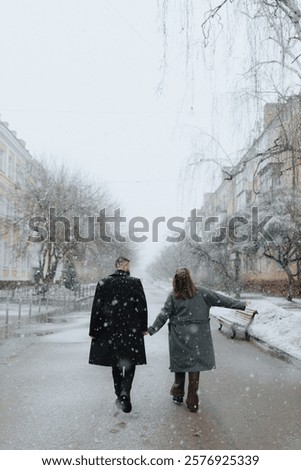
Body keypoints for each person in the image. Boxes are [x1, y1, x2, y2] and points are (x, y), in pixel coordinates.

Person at [147, 268, 246, 412]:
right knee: (195, 368)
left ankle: (178, 393)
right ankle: (192, 399)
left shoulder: (174, 295)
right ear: (190, 279)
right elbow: (222, 300)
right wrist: (241, 304)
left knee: (180, 365)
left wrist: (151, 330)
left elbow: (163, 315)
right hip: (199, 337)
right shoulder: (202, 293)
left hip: (179, 336)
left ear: (175, 281)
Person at [89, 256, 148, 413]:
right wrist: (143, 327)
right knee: (130, 362)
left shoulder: (103, 283)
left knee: (115, 362)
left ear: (115, 267)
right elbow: (142, 307)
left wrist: (93, 331)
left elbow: (97, 308)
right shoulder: (135, 283)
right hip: (131, 330)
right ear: (127, 266)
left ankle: (119, 392)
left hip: (110, 330)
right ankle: (125, 391)